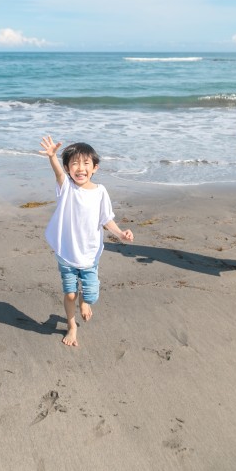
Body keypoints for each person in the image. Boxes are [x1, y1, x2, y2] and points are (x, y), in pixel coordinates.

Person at [38, 136, 134, 347]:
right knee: (70, 293)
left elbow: (106, 220)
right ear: (67, 168)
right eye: (74, 163)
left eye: (86, 163)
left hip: (90, 254)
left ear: (95, 167)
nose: (80, 168)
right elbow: (58, 174)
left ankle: (85, 302)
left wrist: (120, 234)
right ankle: (71, 326)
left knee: (90, 296)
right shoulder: (67, 188)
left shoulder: (100, 192)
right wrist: (52, 157)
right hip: (67, 253)